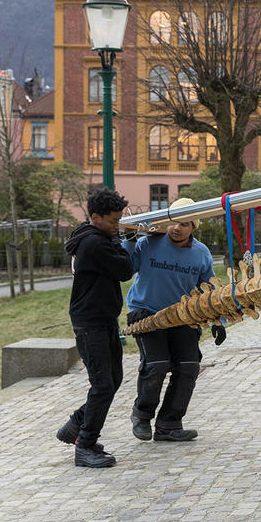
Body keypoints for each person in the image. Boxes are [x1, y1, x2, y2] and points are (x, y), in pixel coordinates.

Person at [123, 197, 226, 443]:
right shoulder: (148, 243)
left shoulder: (201, 253)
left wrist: (218, 321)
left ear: (193, 228)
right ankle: (141, 415)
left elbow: (210, 290)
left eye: (185, 223)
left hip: (183, 316)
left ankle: (169, 424)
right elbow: (125, 269)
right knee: (157, 364)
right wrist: (129, 240)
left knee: (189, 367)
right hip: (147, 313)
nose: (177, 227)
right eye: (173, 221)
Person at [56, 187, 135, 469]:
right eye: (113, 221)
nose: (118, 226)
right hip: (91, 323)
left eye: (119, 221)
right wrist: (120, 242)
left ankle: (76, 424)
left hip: (103, 319)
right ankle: (85, 445)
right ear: (96, 217)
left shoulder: (96, 237)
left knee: (113, 379)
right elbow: (125, 270)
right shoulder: (94, 243)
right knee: (103, 384)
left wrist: (114, 238)